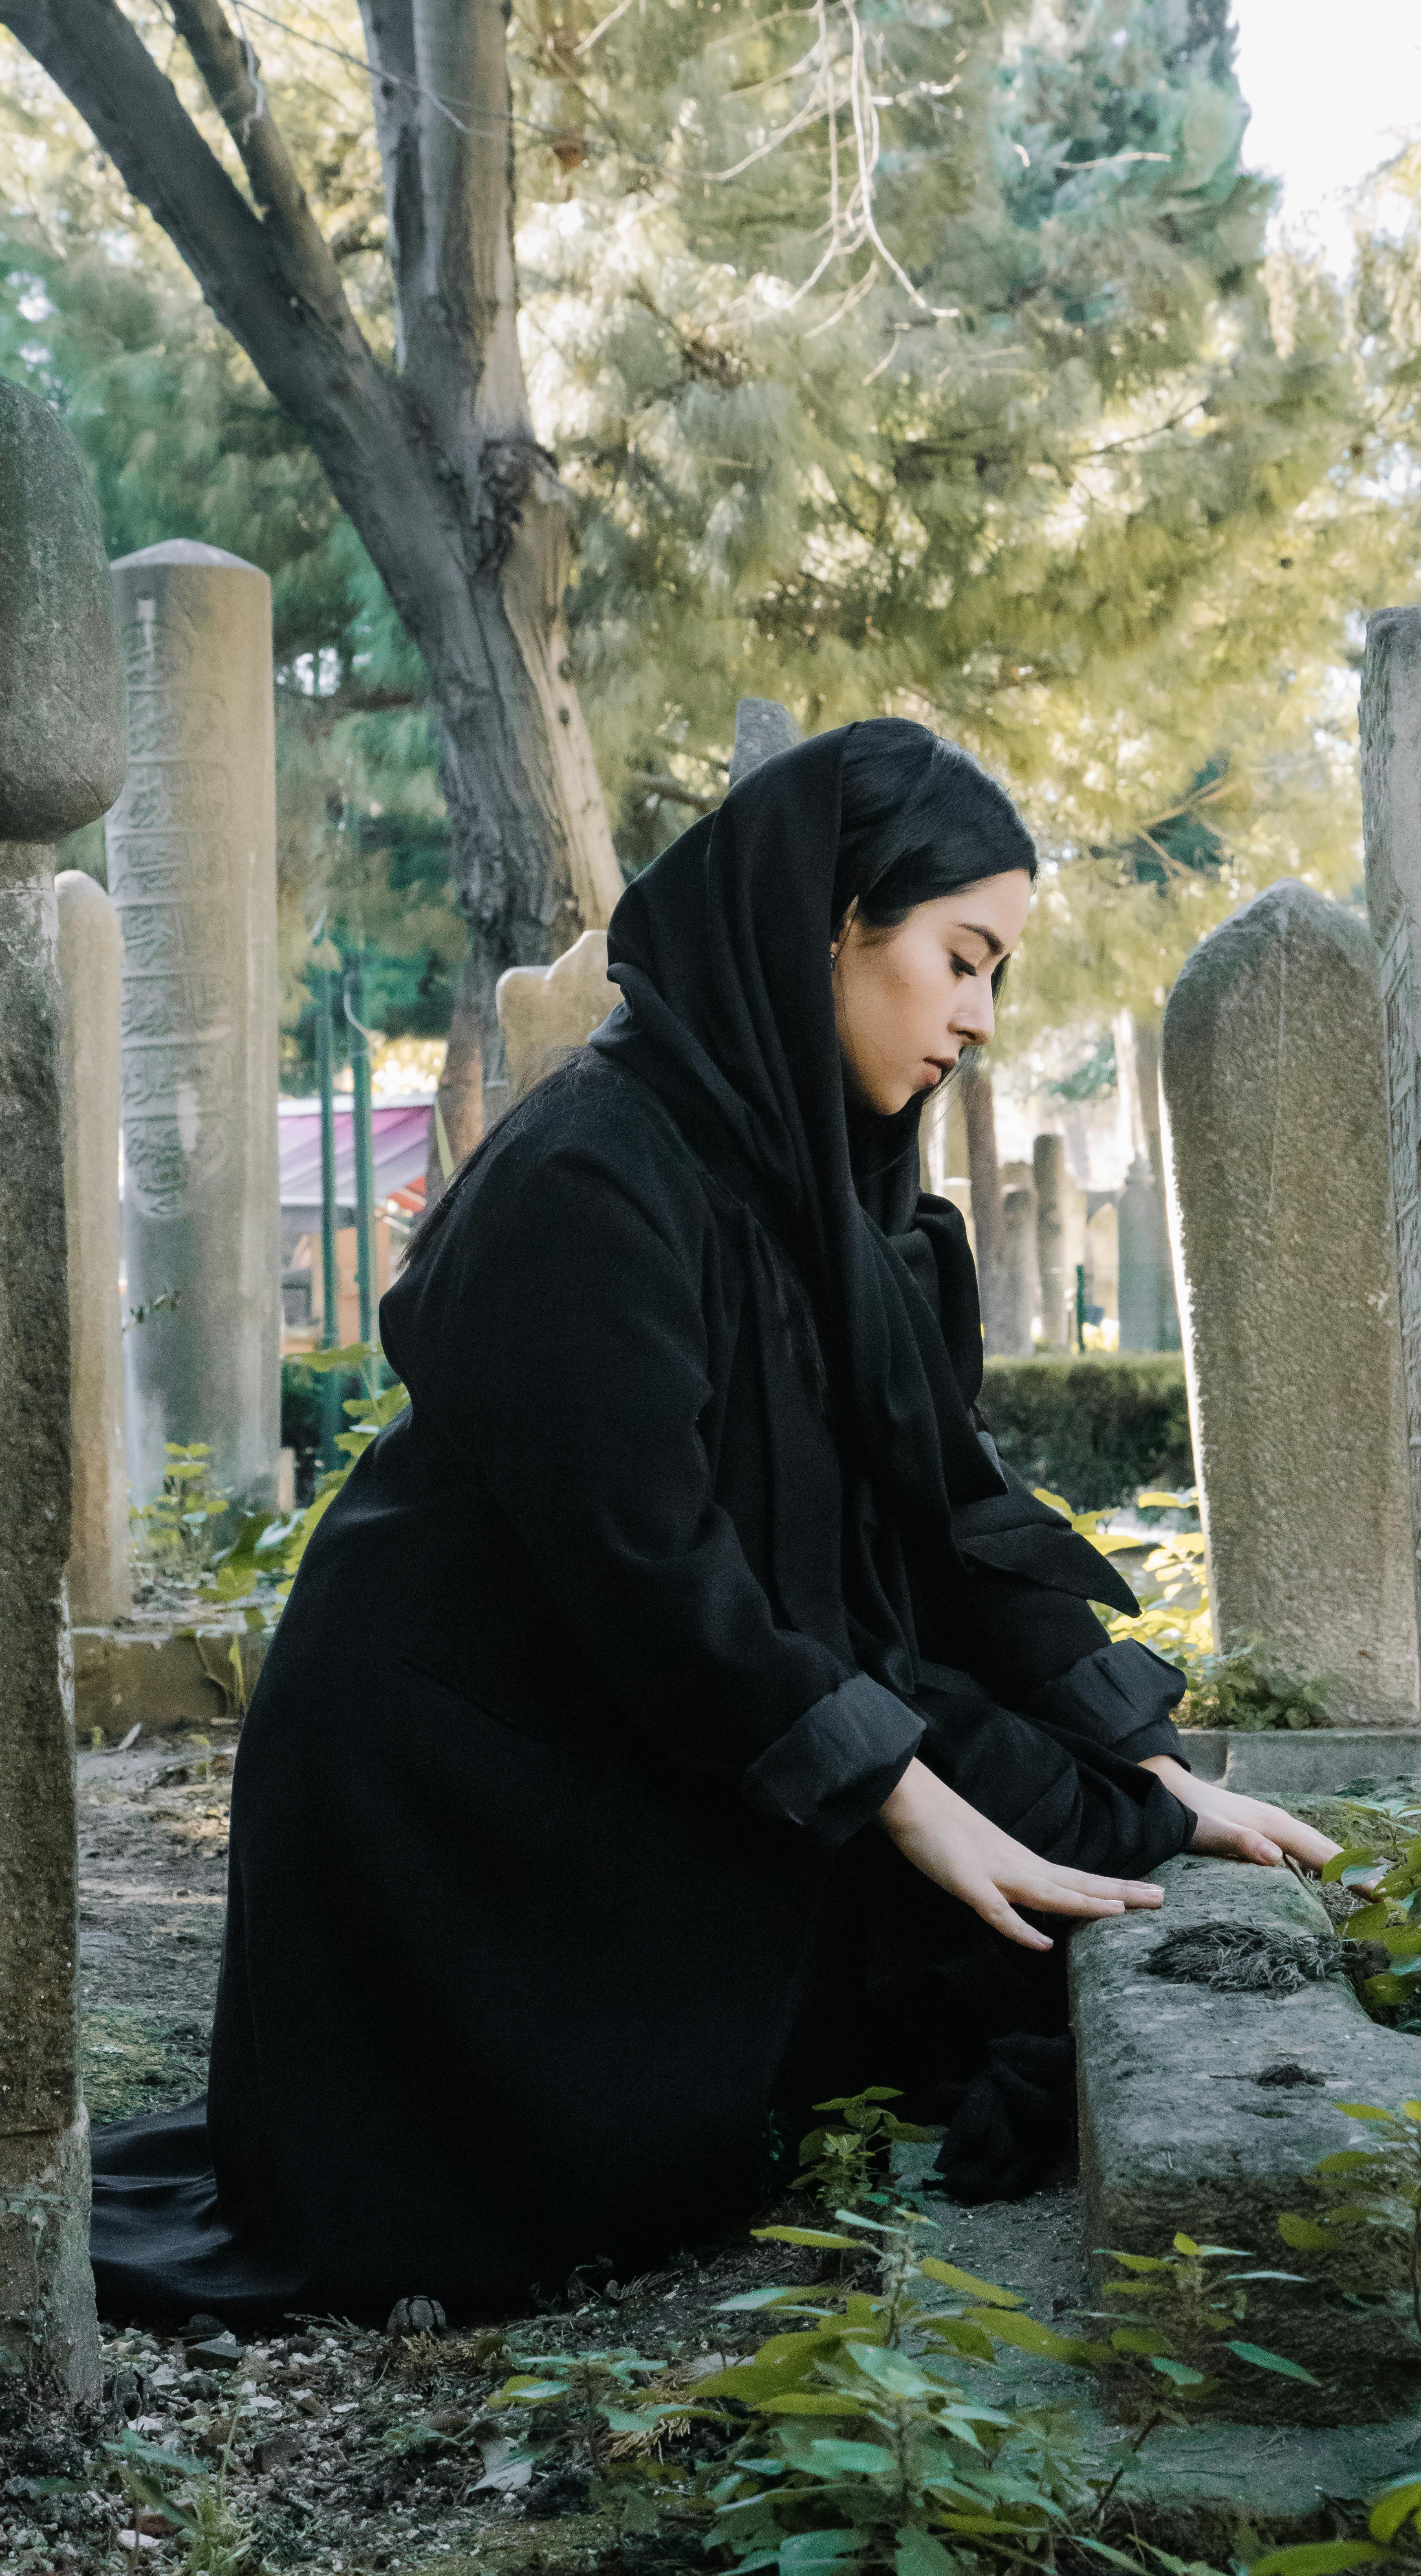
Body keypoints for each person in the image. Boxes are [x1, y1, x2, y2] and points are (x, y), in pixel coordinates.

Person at [90, 720, 1337, 2327]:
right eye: (957, 960)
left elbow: (951, 1510)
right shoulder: (587, 1174)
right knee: (983, 1908)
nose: (974, 1016)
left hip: (676, 1699)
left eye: (995, 979)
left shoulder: (846, 1191)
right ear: (829, 920)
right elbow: (648, 1563)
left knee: (1097, 1830)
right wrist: (893, 1786)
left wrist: (1138, 1755)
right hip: (473, 1782)